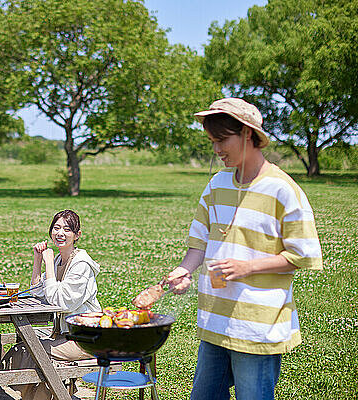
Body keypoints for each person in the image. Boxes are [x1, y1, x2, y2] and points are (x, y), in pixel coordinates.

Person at [134, 98, 322, 400]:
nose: (217, 150)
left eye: (222, 140)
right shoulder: (217, 184)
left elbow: (302, 255)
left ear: (248, 134)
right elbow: (199, 243)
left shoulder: (282, 190)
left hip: (257, 327)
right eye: (212, 142)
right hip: (215, 321)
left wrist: (248, 267)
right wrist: (184, 270)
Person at [0, 209, 101, 400]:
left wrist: (47, 264)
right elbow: (38, 293)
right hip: (64, 334)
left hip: (88, 339)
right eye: (56, 228)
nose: (60, 233)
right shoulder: (58, 260)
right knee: (23, 348)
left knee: (32, 350)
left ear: (77, 235)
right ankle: (7, 392)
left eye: (67, 229)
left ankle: (9, 393)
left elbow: (60, 302)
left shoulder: (81, 265)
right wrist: (38, 260)